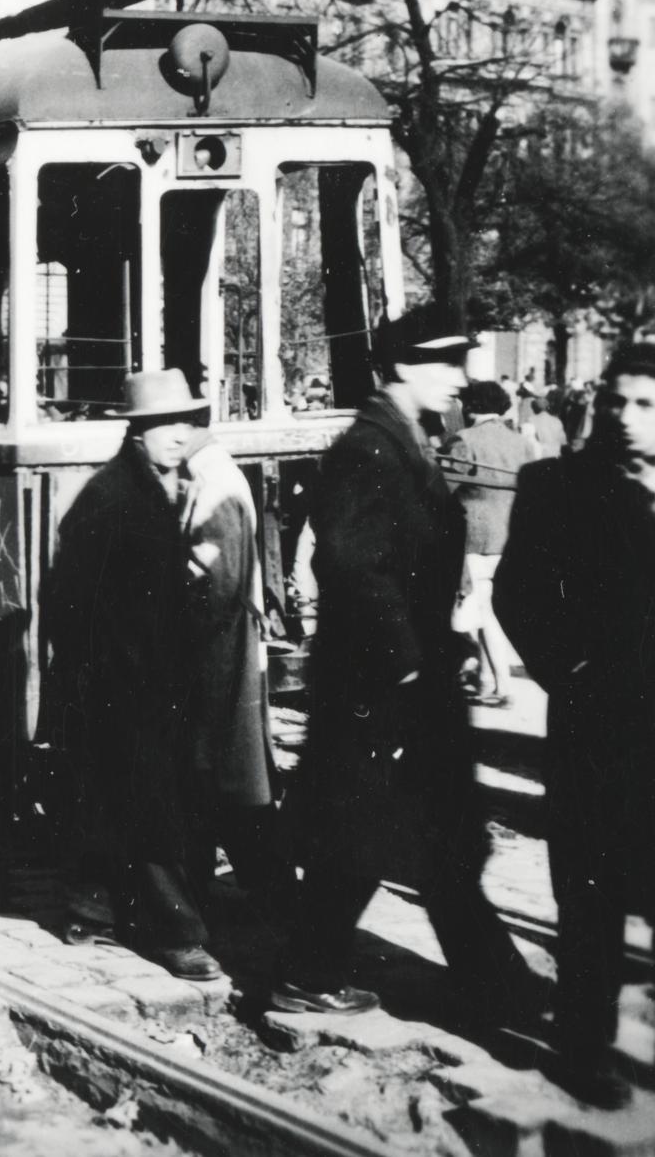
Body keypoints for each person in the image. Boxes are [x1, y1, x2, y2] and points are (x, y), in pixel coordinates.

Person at [273, 308, 536, 1019]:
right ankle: (310, 973)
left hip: (403, 685)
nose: (460, 380)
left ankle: (492, 983)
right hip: (385, 690)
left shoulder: (405, 441)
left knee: (421, 838)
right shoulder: (371, 449)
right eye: (448, 365)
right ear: (406, 368)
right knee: (376, 839)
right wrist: (411, 667)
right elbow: (354, 567)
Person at [493, 343, 655, 1109]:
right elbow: (516, 594)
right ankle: (582, 1051)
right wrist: (578, 675)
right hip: (601, 733)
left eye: (646, 406)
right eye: (617, 402)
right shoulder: (557, 484)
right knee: (590, 898)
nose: (626, 419)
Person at [41, 368, 224, 980]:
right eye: (161, 425)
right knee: (155, 806)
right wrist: (100, 674)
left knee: (115, 797)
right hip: (125, 682)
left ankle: (88, 909)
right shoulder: (112, 496)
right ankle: (177, 934)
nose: (178, 434)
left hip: (145, 677)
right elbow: (68, 600)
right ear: (137, 431)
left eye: (185, 423)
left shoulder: (152, 487)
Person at [181, 420, 285, 903]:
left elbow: (212, 577)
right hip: (223, 649)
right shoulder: (210, 468)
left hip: (219, 651)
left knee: (228, 774)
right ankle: (259, 882)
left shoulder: (210, 478)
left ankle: (265, 886)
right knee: (230, 774)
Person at [444, 379, 532, 707]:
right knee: (495, 611)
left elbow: (444, 491)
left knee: (482, 612)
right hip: (512, 537)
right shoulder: (522, 442)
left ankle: (499, 684)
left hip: (475, 538)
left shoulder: (464, 440)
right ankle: (486, 680)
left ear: (469, 407)